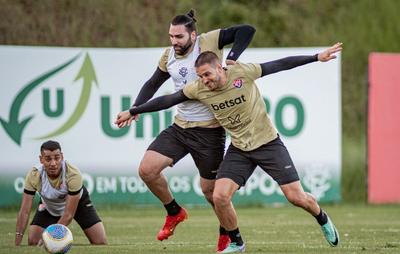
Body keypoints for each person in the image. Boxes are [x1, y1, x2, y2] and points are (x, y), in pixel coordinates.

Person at [115, 42, 343, 253]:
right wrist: (134, 110)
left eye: (207, 74)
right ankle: (236, 242)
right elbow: (168, 100)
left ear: (220, 69)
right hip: (240, 149)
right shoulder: (198, 89)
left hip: (268, 144)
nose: (205, 80)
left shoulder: (243, 73)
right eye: (200, 76)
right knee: (219, 196)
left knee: (296, 197)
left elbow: (280, 64)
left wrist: (316, 57)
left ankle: (322, 218)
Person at [126, 9, 255, 251]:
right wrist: (135, 109)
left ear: (193, 35)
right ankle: (174, 212)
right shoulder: (168, 56)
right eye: (171, 36)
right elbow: (153, 83)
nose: (174, 42)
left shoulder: (209, 41)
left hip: (209, 132)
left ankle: (226, 232)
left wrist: (232, 59)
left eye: (179, 37)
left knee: (210, 191)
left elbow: (247, 30)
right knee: (147, 170)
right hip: (181, 127)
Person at [15, 140, 107, 246]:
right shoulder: (34, 175)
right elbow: (24, 211)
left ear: (62, 157)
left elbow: (68, 214)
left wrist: (51, 237)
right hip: (49, 206)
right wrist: (17, 245)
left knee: (100, 241)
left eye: (57, 158)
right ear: (41, 159)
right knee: (33, 242)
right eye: (48, 159)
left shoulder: (73, 173)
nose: (53, 163)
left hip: (77, 204)